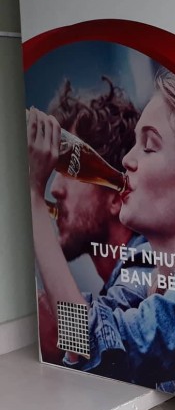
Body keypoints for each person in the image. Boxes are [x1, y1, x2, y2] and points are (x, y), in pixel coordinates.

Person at [27, 69, 175, 396]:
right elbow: (86, 333)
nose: (127, 161)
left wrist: (33, 198)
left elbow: (89, 344)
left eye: (149, 146)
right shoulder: (143, 264)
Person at [32, 77, 149, 363]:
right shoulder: (118, 281)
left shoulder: (147, 263)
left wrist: (33, 197)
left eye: (69, 172)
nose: (56, 189)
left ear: (116, 196)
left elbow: (80, 339)